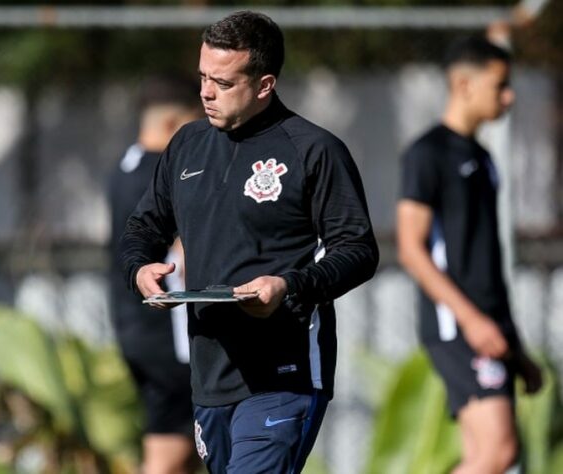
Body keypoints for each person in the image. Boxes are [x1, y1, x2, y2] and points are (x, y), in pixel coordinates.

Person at [119, 11, 379, 473]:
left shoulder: (314, 150)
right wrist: (140, 268)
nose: (204, 92)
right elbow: (144, 227)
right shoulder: (186, 144)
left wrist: (290, 287)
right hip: (210, 374)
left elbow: (358, 250)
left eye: (222, 82)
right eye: (202, 77)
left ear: (264, 85)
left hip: (284, 371)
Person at [397, 36, 543, 474]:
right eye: (500, 85)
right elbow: (411, 248)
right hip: (457, 324)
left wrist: (514, 346)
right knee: (499, 452)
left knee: (483, 455)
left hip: (489, 324)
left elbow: (486, 262)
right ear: (463, 83)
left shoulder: (482, 157)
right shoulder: (427, 154)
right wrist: (471, 319)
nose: (508, 95)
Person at [108, 74, 201, 474]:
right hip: (169, 337)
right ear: (171, 125)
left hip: (136, 331)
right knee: (172, 455)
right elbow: (184, 251)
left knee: (176, 448)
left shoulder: (125, 168)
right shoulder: (163, 177)